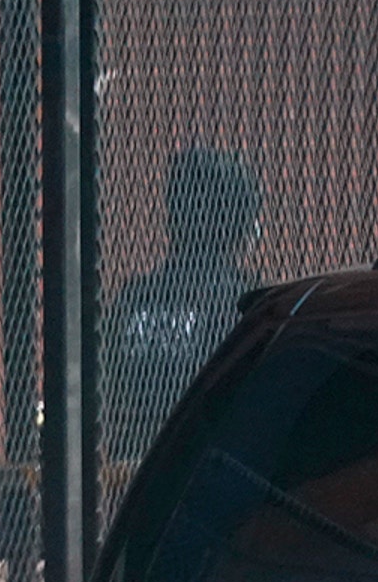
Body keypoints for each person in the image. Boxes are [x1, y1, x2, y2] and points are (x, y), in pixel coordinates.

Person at [102, 148, 262, 464]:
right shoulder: (243, 303)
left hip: (137, 474)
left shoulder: (132, 298)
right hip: (207, 467)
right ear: (240, 226)